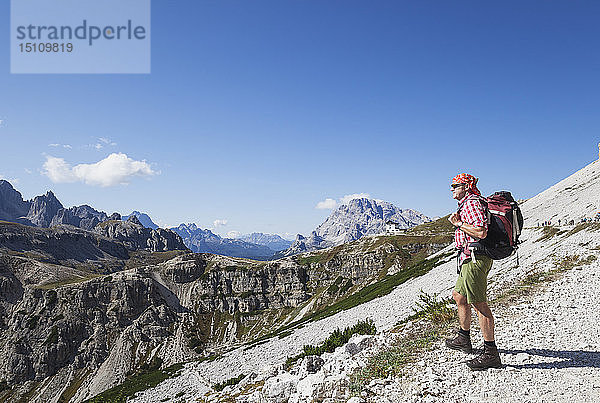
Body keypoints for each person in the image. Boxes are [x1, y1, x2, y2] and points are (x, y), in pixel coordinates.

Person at [445, 173, 502, 370]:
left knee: (479, 304)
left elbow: (480, 231)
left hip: (475, 258)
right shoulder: (466, 203)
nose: (451, 189)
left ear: (467, 186)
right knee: (459, 296)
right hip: (468, 257)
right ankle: (463, 338)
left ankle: (490, 353)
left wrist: (458, 224)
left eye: (455, 185)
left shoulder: (472, 203)